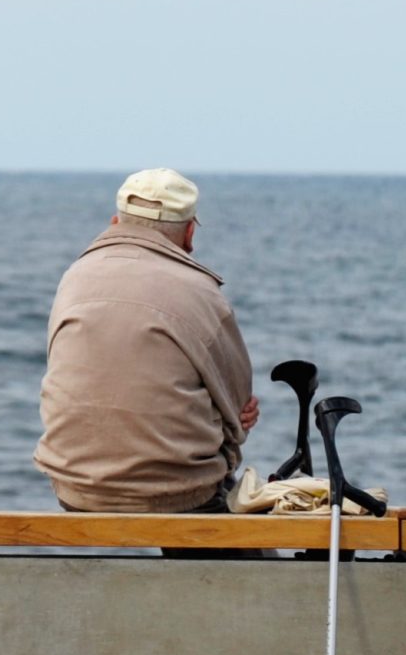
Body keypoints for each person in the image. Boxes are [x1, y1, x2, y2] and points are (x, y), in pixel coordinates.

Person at [35, 168, 259, 514]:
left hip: (76, 489)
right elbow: (238, 408)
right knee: (241, 547)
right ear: (189, 233)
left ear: (115, 223)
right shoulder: (201, 292)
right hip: (182, 493)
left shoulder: (74, 278)